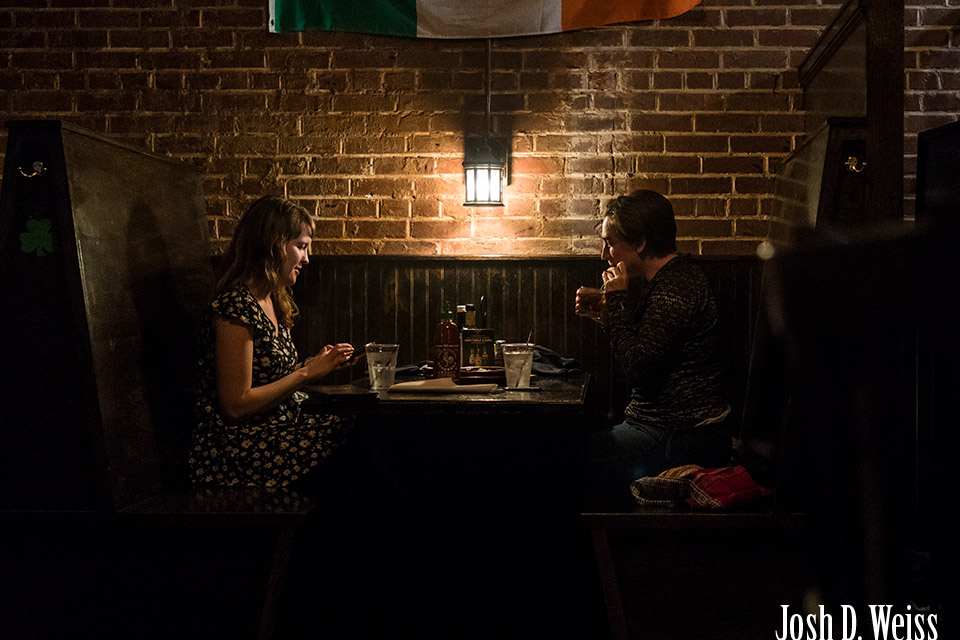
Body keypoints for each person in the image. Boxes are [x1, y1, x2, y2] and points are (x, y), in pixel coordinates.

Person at [576, 189, 731, 505]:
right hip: (665, 429)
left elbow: (639, 369)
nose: (604, 255)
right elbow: (642, 354)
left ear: (640, 243)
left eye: (610, 243)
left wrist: (616, 303)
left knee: (566, 457)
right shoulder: (668, 280)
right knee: (568, 449)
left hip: (684, 437)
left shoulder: (676, 287)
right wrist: (609, 319)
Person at [189, 195, 355, 488]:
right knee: (350, 434)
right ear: (272, 245)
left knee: (360, 425)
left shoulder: (274, 299)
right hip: (239, 447)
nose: (307, 259)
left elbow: (272, 378)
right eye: (301, 247)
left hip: (278, 428)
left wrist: (316, 365)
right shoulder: (236, 306)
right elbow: (235, 406)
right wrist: (307, 373)